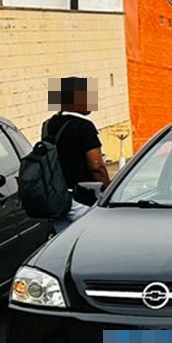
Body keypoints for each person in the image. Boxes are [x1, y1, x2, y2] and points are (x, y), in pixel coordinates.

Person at [43, 76, 110, 230]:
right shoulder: (84, 126)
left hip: (57, 198)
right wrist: (108, 193)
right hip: (82, 199)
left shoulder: (48, 125)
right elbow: (96, 166)